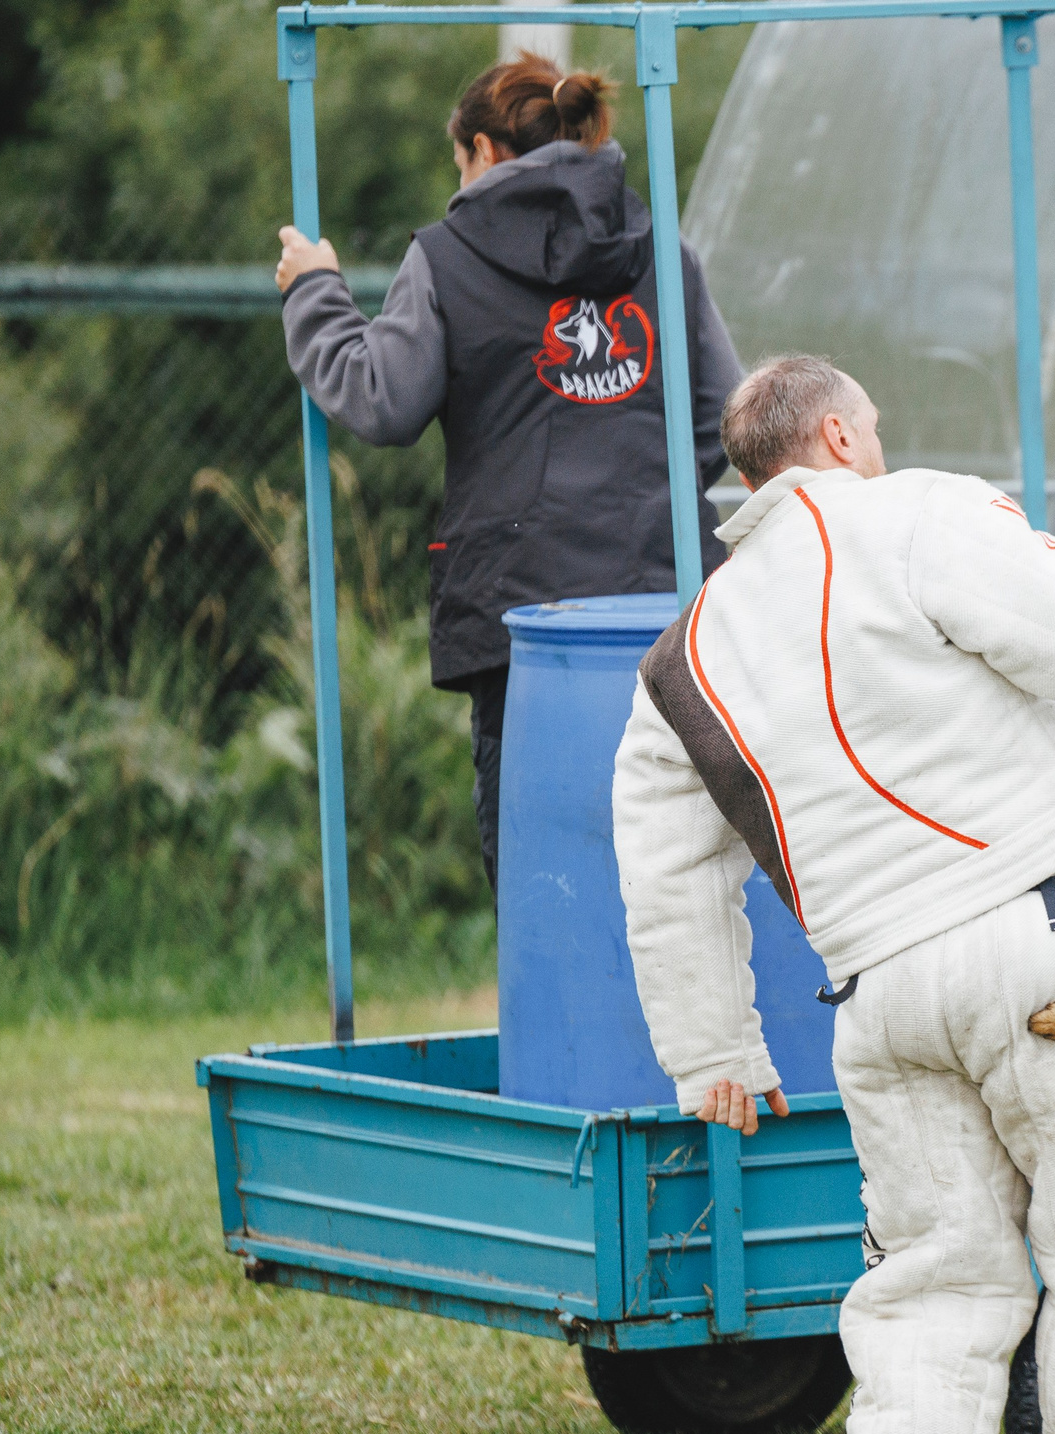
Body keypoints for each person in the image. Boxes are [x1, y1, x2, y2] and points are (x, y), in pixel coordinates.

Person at [608, 356, 1055, 1434]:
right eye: (870, 427)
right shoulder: (919, 513)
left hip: (878, 991)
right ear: (837, 436)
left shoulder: (683, 657)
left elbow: (664, 866)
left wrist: (713, 1051)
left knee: (930, 1285)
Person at [274, 51, 742, 889]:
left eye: (458, 163)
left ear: (484, 152)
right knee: (690, 859)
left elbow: (382, 399)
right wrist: (644, 488)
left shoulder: (446, 256)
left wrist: (315, 293)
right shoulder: (664, 250)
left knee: (544, 869)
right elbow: (723, 418)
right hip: (674, 604)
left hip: (524, 619)